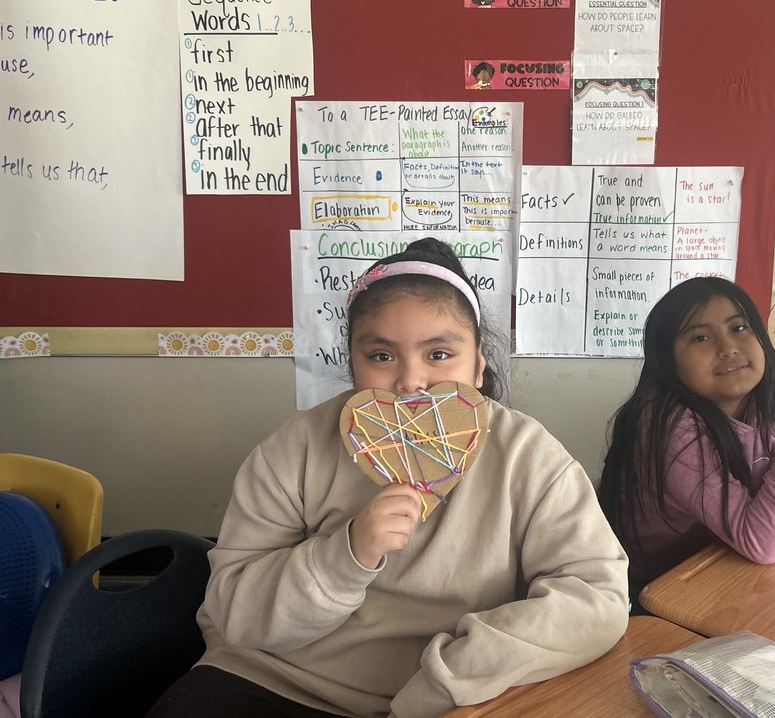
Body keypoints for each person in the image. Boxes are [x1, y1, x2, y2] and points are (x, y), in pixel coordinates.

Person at [146, 237, 629, 718]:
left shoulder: (526, 454)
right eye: (381, 356)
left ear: (479, 364)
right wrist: (348, 553)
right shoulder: (292, 451)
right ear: (352, 364)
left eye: (439, 354)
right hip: (275, 677)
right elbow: (234, 610)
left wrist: (448, 680)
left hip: (444, 697)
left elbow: (596, 594)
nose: (410, 380)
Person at [597, 277, 775, 605]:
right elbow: (763, 546)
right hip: (647, 591)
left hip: (717, 566)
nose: (728, 347)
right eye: (700, 337)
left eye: (739, 328)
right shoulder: (667, 426)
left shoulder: (769, 408)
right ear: (668, 360)